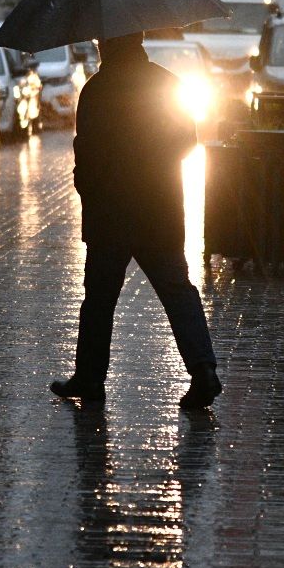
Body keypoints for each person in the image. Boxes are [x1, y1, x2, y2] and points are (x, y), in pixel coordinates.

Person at [51, 31, 222, 410]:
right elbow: (187, 139)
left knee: (98, 299)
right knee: (177, 289)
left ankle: (90, 378)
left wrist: (92, 185)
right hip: (159, 208)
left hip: (110, 213)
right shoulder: (166, 82)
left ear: (110, 44)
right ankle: (203, 369)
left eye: (100, 40)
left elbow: (87, 152)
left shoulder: (96, 90)